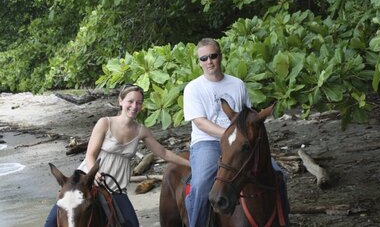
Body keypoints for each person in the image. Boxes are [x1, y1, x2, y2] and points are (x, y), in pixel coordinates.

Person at [45, 84, 190, 227]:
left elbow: (163, 153)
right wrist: (94, 173)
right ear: (120, 101)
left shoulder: (141, 131)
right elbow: (90, 154)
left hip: (116, 188)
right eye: (130, 101)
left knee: (132, 223)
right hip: (86, 180)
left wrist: (190, 163)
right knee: (51, 222)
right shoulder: (105, 123)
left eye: (138, 103)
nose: (134, 106)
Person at [183, 38, 252, 227]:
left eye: (213, 56)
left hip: (236, 143)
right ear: (199, 62)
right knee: (201, 184)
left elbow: (247, 116)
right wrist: (230, 135)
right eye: (203, 58)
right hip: (207, 142)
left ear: (220, 57)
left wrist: (238, 139)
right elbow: (200, 123)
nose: (209, 62)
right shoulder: (193, 88)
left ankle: (281, 219)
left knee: (276, 174)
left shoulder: (237, 85)